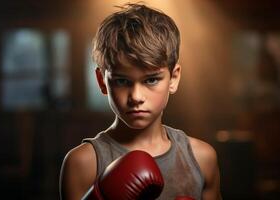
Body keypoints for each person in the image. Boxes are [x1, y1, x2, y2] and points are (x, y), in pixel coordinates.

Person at [60, 3, 221, 200]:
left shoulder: (201, 158)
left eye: (151, 80)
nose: (136, 97)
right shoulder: (82, 163)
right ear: (102, 82)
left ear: (174, 78)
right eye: (122, 81)